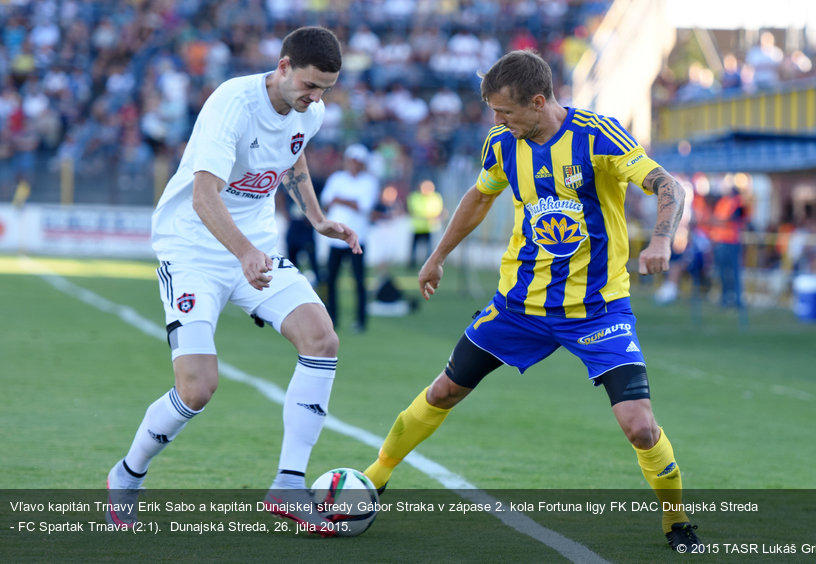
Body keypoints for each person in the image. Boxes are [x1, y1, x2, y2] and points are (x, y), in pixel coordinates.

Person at [364, 50, 703, 552]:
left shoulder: (598, 135)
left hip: (598, 309)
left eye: (504, 112)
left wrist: (659, 241)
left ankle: (677, 522)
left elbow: (667, 186)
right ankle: (374, 480)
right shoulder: (503, 144)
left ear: (538, 102)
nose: (496, 122)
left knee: (640, 426)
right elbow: (479, 197)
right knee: (442, 392)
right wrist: (437, 256)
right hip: (517, 307)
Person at [106, 26, 358, 533]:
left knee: (322, 339)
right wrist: (243, 252)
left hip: (255, 251)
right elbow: (204, 195)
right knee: (197, 388)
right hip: (195, 249)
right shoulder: (232, 104)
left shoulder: (311, 110)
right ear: (283, 66)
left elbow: (294, 153)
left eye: (325, 89)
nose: (316, 99)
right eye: (310, 85)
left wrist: (314, 216)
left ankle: (288, 485)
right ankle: (127, 476)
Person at [320, 143, 380, 332]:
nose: (354, 164)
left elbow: (363, 205)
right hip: (336, 240)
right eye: (352, 161)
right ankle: (332, 319)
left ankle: (361, 321)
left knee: (359, 282)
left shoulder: (369, 182)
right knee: (331, 281)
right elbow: (327, 202)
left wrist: (340, 199)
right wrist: (347, 201)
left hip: (357, 238)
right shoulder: (337, 178)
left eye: (358, 162)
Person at [710, 186, 747, 308]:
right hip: (722, 240)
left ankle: (736, 299)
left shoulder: (738, 202)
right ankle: (726, 298)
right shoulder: (724, 202)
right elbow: (717, 218)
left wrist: (721, 221)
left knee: (734, 272)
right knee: (723, 272)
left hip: (731, 241)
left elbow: (738, 217)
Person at [407, 178, 446, 268]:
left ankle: (428, 264)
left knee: (429, 249)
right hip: (417, 227)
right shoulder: (414, 196)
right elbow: (413, 211)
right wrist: (428, 216)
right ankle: (412, 265)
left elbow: (440, 211)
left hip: (430, 227)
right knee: (414, 248)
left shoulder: (436, 197)